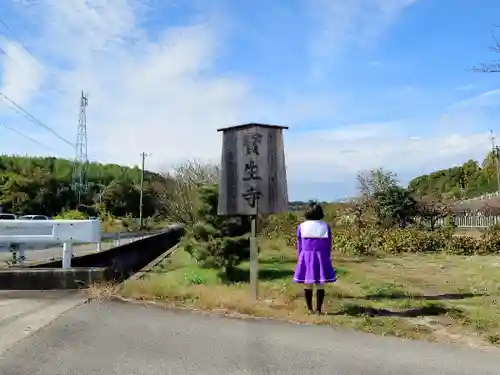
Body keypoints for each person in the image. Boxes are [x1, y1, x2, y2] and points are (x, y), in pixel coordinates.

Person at [292, 202, 336, 314]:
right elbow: (329, 244)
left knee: (308, 283)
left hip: (306, 256)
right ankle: (318, 309)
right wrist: (327, 257)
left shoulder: (301, 227)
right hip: (322, 256)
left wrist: (300, 258)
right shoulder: (325, 226)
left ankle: (310, 309)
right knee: (320, 284)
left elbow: (299, 244)